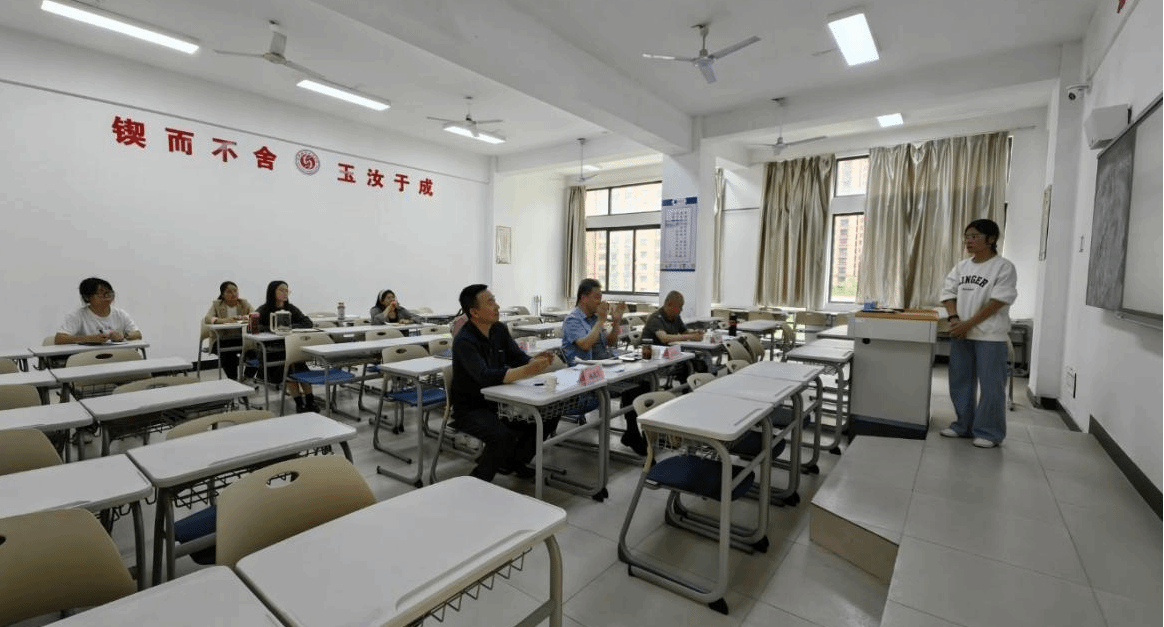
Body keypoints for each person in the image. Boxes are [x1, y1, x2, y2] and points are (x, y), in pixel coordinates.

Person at [451, 284, 554, 482]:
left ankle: (512, 462)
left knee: (547, 416)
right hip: (471, 408)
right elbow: (484, 376)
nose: (497, 306)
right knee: (503, 437)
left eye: (495, 300)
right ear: (474, 312)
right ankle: (475, 483)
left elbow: (517, 357)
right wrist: (527, 370)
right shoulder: (464, 341)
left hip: (499, 402)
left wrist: (534, 361)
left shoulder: (498, 329)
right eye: (490, 302)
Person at [939, 218, 1017, 448]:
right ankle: (963, 426)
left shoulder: (1003, 267)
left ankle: (989, 432)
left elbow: (997, 302)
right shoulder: (961, 267)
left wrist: (968, 324)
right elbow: (948, 294)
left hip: (990, 336)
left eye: (974, 236)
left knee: (992, 386)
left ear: (991, 239)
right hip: (961, 334)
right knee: (960, 382)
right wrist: (955, 320)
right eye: (967, 237)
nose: (968, 241)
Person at [561, 278, 650, 455]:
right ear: (583, 298)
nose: (600, 302)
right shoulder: (572, 320)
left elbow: (609, 342)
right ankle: (633, 434)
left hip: (606, 370)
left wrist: (616, 322)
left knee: (643, 383)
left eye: (601, 297)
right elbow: (585, 344)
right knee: (635, 386)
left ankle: (633, 432)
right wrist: (600, 321)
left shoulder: (594, 318)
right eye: (596, 297)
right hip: (586, 378)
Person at [255, 280, 319, 413]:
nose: (285, 293)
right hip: (272, 352)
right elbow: (256, 326)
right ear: (272, 292)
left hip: (289, 348)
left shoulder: (290, 308)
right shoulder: (264, 309)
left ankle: (310, 400)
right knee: (290, 366)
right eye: (281, 290)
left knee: (298, 363)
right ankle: (300, 403)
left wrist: (288, 327)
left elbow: (307, 322)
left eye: (287, 290)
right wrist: (274, 328)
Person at [55, 277, 143, 344]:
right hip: (88, 359)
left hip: (117, 357)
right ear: (87, 297)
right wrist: (89, 339)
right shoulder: (77, 315)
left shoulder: (120, 314)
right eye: (101, 294)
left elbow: (138, 334)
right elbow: (59, 339)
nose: (107, 297)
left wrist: (124, 335)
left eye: (109, 293)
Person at [641, 290, 707, 378]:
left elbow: (684, 332)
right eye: (680, 307)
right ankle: (688, 385)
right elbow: (664, 338)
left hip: (670, 354)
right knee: (688, 365)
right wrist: (691, 336)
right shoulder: (656, 318)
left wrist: (695, 333)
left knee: (699, 360)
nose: (681, 310)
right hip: (654, 357)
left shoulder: (675, 317)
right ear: (669, 304)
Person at [201, 281, 253, 380]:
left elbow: (254, 314)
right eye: (229, 292)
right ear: (223, 295)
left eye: (235, 291)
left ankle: (247, 377)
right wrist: (224, 321)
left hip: (240, 338)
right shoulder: (217, 305)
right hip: (221, 339)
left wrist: (243, 317)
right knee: (228, 353)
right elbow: (208, 318)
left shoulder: (243, 303)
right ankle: (233, 380)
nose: (233, 294)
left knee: (255, 350)